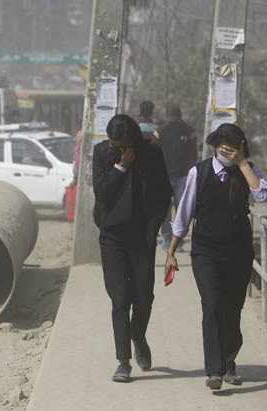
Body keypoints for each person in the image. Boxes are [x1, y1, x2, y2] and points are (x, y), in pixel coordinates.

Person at [164, 123, 267, 391]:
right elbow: (184, 214)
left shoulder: (247, 170)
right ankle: (214, 369)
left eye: (233, 147)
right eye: (222, 146)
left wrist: (243, 163)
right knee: (211, 305)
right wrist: (171, 252)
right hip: (206, 251)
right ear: (213, 147)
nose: (226, 151)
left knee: (232, 309)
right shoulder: (197, 173)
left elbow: (263, 194)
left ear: (241, 148)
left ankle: (228, 361)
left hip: (238, 252)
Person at [92, 114, 172, 382]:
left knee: (144, 297)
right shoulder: (102, 153)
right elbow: (101, 193)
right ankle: (123, 361)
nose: (117, 149)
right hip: (112, 236)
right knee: (120, 299)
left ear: (133, 140)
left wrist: (155, 224)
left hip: (142, 237)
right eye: (114, 144)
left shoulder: (151, 153)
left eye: (122, 145)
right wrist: (121, 167)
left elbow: (164, 192)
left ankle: (138, 336)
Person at [154, 104, 198, 251]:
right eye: (170, 119)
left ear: (180, 117)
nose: (172, 121)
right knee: (165, 210)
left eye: (175, 118)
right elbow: (154, 152)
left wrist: (189, 173)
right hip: (163, 177)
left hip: (182, 177)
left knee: (182, 210)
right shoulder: (160, 131)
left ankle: (178, 240)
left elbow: (193, 154)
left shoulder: (189, 131)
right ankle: (167, 237)